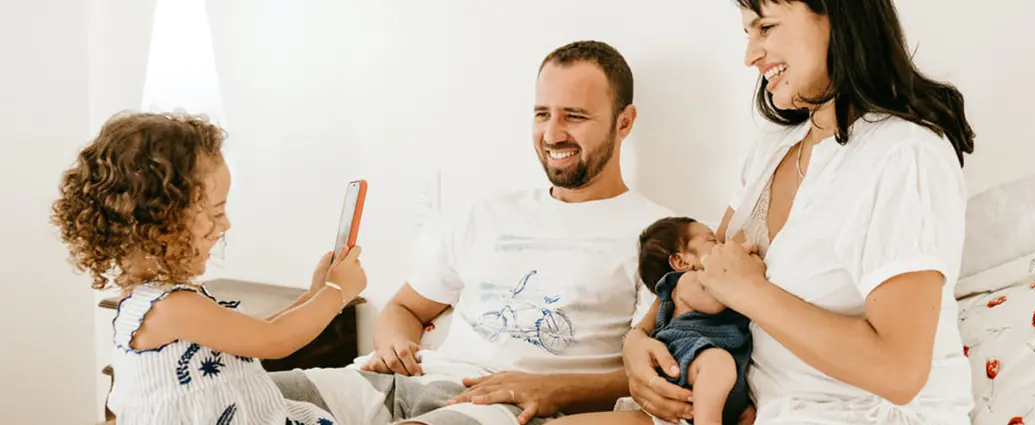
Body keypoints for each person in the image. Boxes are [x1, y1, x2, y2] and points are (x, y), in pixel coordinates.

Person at [575, 0, 979, 424]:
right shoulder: (776, 145)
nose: (750, 55)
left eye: (765, 28)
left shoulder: (904, 155)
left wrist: (754, 294)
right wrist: (637, 342)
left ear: (839, 17)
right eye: (748, 34)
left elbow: (899, 371)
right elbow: (711, 273)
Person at [268, 40, 675, 425]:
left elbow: (656, 375)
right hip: (401, 381)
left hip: (496, 406)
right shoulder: (486, 212)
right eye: (541, 114)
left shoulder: (662, 236)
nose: (552, 134)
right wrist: (394, 346)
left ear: (625, 122)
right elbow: (405, 308)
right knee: (239, 393)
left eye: (574, 116)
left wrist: (554, 389)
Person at [50, 112, 369, 425]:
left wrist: (315, 294)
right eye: (216, 213)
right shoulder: (171, 308)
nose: (225, 224)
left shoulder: (161, 300)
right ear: (161, 222)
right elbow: (274, 340)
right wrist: (336, 294)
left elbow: (251, 338)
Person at [635, 217, 753, 425]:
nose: (722, 245)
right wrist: (741, 259)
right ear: (682, 262)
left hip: (724, 374)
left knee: (749, 412)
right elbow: (716, 301)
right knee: (717, 363)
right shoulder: (687, 281)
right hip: (686, 355)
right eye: (712, 241)